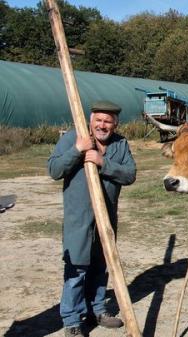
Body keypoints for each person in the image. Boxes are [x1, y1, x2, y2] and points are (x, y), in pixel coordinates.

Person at [48, 101, 136, 337]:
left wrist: (102, 162)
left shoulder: (120, 144)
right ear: (90, 120)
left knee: (101, 266)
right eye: (98, 120)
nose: (102, 125)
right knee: (76, 269)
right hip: (79, 219)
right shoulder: (72, 138)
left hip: (106, 219)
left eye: (108, 121)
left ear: (115, 124)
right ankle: (72, 320)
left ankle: (98, 309)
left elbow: (130, 174)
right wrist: (77, 150)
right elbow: (54, 170)